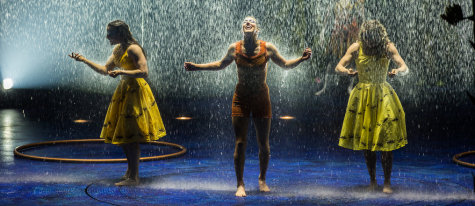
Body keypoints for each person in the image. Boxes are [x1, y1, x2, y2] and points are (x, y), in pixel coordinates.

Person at [184, 16, 312, 197]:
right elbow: (220, 64)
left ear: (257, 28)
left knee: (264, 144)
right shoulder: (234, 49)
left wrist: (301, 58)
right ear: (242, 28)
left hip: (261, 98)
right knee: (241, 143)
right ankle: (240, 184)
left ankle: (262, 179)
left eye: (251, 21)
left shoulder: (267, 48)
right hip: (241, 98)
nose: (248, 23)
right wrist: (197, 67)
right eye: (245, 22)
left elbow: (285, 64)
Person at [69, 20, 166, 186]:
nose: (107, 37)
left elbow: (144, 72)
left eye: (110, 33)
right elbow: (104, 70)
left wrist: (122, 71)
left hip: (135, 92)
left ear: (120, 33)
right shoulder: (118, 49)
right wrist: (84, 60)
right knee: (123, 134)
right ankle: (130, 172)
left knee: (131, 135)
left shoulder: (133, 48)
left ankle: (134, 177)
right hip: (124, 91)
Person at [335, 20, 408, 193]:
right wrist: (348, 71)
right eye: (366, 37)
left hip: (383, 96)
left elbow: (404, 66)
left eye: (372, 38)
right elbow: (339, 66)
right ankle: (373, 181)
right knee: (367, 143)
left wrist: (397, 71)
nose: (369, 41)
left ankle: (388, 183)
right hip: (362, 98)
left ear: (379, 36)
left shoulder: (388, 47)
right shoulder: (356, 47)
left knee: (385, 140)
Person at [316, 0, 365, 96]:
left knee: (352, 60)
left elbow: (362, 18)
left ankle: (350, 87)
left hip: (352, 33)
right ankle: (326, 87)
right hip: (337, 32)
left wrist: (363, 33)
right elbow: (327, 17)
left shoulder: (356, 0)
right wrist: (322, 32)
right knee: (332, 60)